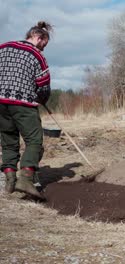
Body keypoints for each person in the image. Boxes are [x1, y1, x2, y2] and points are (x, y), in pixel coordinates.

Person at [0, 21, 53, 199]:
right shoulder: (37, 55)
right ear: (38, 37)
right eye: (43, 44)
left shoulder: (4, 47)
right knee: (34, 140)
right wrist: (42, 99)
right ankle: (26, 178)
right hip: (22, 103)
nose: (43, 49)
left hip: (0, 103)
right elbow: (44, 86)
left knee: (8, 140)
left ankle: (10, 182)